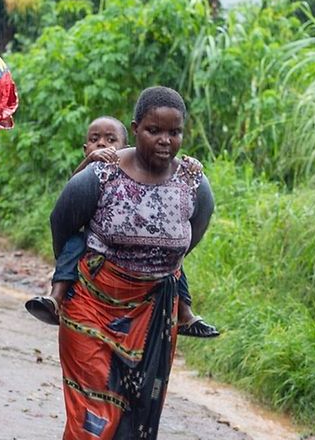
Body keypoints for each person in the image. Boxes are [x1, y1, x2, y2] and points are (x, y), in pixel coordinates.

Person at [48, 86, 214, 440]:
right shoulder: (100, 177)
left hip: (151, 308)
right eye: (155, 130)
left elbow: (194, 232)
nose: (165, 140)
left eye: (175, 132)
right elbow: (63, 224)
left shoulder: (193, 182)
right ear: (136, 128)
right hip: (92, 303)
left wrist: (159, 267)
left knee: (132, 400)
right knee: (96, 397)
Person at [25, 115, 218, 339]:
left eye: (110, 140)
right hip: (94, 240)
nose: (102, 144)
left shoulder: (140, 170)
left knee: (174, 263)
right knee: (73, 245)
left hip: (154, 254)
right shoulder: (92, 172)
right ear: (85, 147)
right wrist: (89, 163)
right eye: (95, 139)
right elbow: (70, 197)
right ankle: (56, 297)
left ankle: (185, 313)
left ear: (125, 148)